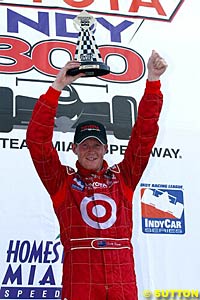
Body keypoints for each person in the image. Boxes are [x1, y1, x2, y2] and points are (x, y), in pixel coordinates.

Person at [26, 50, 167, 300]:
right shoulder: (62, 182)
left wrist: (153, 82)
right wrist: (58, 86)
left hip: (121, 281)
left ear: (106, 148)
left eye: (96, 145)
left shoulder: (124, 177)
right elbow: (37, 141)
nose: (91, 151)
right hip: (80, 283)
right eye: (85, 145)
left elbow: (144, 136)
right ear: (74, 149)